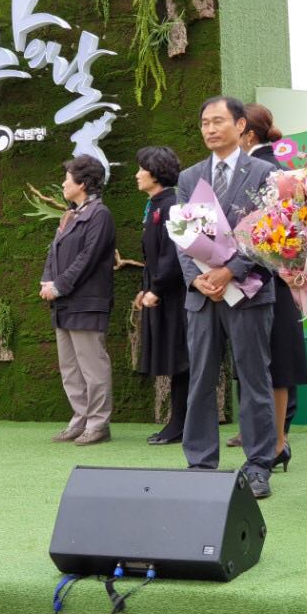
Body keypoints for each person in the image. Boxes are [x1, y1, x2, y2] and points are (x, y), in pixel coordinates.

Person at [177, 96, 278, 499]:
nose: (210, 129)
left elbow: (276, 237)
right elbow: (179, 236)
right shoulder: (189, 177)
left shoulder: (267, 173)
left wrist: (229, 271)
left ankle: (258, 466)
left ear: (241, 127)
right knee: (200, 379)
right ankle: (200, 462)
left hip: (250, 293)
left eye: (219, 121)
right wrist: (196, 280)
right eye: (204, 123)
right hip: (202, 298)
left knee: (254, 380)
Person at [234, 101, 307, 470]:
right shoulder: (267, 168)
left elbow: (284, 231)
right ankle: (272, 440)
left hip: (267, 279)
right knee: (269, 363)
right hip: (261, 278)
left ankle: (276, 441)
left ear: (246, 131)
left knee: (271, 363)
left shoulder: (268, 172)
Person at [43, 155, 117, 446]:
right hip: (65, 303)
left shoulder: (100, 215)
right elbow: (53, 252)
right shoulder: (70, 214)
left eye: (68, 177)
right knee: (70, 366)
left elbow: (89, 258)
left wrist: (59, 286)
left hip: (87, 301)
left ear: (83, 183)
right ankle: (80, 419)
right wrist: (47, 282)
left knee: (92, 366)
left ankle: (98, 423)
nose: (63, 182)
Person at [135, 146, 190, 445]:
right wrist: (147, 287)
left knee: (181, 360)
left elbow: (174, 254)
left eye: (141, 168)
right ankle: (177, 422)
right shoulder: (155, 205)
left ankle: (180, 425)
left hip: (175, 297)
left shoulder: (171, 205)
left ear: (155, 172)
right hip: (161, 294)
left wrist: (155, 289)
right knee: (175, 360)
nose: (137, 174)